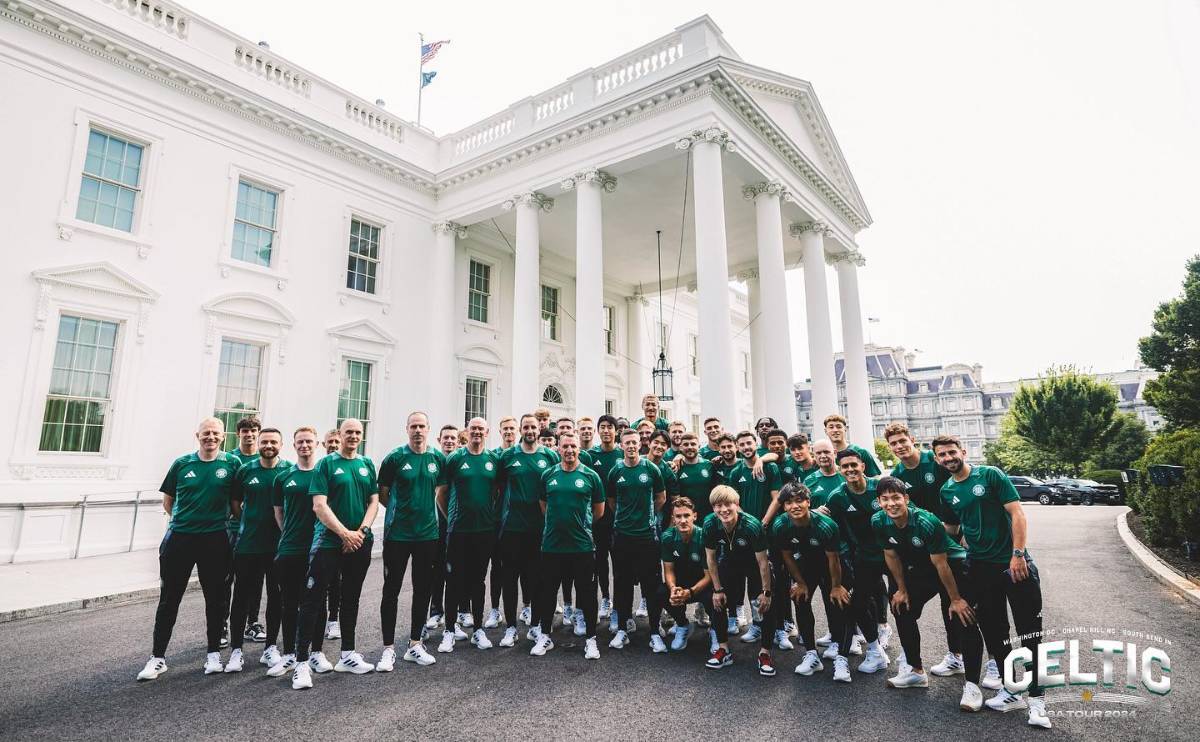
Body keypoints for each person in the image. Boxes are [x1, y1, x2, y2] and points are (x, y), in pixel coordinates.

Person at [933, 435, 1051, 729]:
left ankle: (1038, 701)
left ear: (962, 452)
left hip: (1015, 566)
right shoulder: (947, 490)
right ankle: (1012, 691)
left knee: (1029, 635)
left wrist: (1018, 554)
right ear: (937, 460)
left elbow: (1017, 513)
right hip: (981, 570)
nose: (948, 458)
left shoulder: (990, 475)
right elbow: (951, 530)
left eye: (951, 452)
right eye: (942, 455)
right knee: (996, 635)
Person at [137, 417, 240, 681]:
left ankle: (213, 654)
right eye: (206, 433)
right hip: (180, 539)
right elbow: (168, 501)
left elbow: (236, 503)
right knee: (169, 599)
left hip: (215, 539)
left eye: (215, 433)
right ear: (198, 436)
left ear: (223, 436)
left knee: (215, 600)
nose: (210, 437)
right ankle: (157, 658)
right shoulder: (182, 464)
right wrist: (185, 522)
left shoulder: (232, 464)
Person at [872, 476, 985, 710]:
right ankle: (916, 671)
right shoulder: (878, 521)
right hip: (923, 569)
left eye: (896, 498)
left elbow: (941, 564)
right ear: (879, 502)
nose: (891, 503)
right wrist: (901, 589)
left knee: (962, 616)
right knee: (901, 608)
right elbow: (891, 555)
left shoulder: (925, 521)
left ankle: (972, 685)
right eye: (885, 499)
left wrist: (956, 599)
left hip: (952, 566)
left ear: (906, 499)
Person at [290, 419, 378, 690]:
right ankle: (301, 663)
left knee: (350, 598)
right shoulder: (326, 464)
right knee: (312, 601)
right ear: (340, 434)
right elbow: (319, 505)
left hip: (360, 542)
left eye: (358, 432)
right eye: (348, 432)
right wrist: (344, 534)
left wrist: (361, 531)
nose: (353, 436)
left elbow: (373, 501)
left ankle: (348, 655)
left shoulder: (366, 464)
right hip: (329, 542)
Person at [886, 421, 977, 680]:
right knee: (902, 605)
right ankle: (913, 663)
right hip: (923, 548)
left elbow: (962, 490)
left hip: (952, 542)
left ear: (912, 440)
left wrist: (965, 533)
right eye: (893, 444)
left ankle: (957, 656)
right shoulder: (897, 474)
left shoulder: (936, 461)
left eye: (902, 441)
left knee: (954, 605)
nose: (899, 446)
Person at [375, 412, 445, 671]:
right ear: (407, 429)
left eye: (422, 426)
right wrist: (401, 512)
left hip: (427, 535)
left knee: (423, 589)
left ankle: (415, 644)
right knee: (391, 590)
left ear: (428, 429)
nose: (417, 430)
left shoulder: (437, 458)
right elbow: (383, 494)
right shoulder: (394, 458)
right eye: (413, 426)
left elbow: (439, 490)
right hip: (398, 535)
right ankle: (388, 649)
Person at [530, 431, 604, 660]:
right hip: (552, 546)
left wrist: (581, 525)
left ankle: (591, 639)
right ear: (558, 449)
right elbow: (543, 505)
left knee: (587, 594)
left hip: (582, 547)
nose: (569, 450)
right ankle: (545, 635)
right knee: (547, 593)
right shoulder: (548, 475)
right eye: (565, 446)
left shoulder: (591, 476)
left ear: (578, 448)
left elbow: (599, 510)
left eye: (573, 446)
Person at [769, 482, 853, 680]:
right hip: (806, 563)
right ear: (784, 506)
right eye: (789, 503)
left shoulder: (826, 525)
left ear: (808, 502)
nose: (794, 506)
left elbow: (833, 559)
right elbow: (787, 556)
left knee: (837, 602)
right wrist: (800, 583)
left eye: (799, 501)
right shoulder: (780, 525)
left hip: (832, 563)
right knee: (800, 598)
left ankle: (841, 657)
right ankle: (811, 654)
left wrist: (836, 586)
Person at [224, 427, 288, 673]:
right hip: (248, 545)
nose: (268, 445)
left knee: (276, 597)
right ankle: (236, 651)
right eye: (265, 442)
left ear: (281, 445)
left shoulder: (288, 470)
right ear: (259, 444)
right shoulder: (245, 470)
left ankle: (270, 647)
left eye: (273, 442)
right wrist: (247, 522)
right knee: (241, 596)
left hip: (278, 546)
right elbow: (235, 502)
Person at [436, 417, 502, 652]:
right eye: (473, 428)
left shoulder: (493, 460)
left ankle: (478, 630)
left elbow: (497, 491)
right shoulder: (455, 458)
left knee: (478, 581)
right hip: (458, 531)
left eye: (481, 429)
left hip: (484, 531)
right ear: (468, 431)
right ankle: (449, 630)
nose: (477, 432)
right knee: (454, 580)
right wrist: (451, 518)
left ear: (487, 432)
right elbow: (441, 494)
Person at [822, 448, 890, 676]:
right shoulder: (837, 497)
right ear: (840, 470)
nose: (850, 469)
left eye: (854, 465)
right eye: (845, 466)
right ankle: (875, 651)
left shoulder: (880, 487)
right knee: (858, 603)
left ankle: (911, 660)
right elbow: (834, 529)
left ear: (863, 466)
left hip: (892, 553)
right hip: (864, 557)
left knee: (902, 604)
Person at [497, 414, 560, 646]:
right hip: (512, 528)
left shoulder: (549, 456)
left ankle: (535, 625)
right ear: (520, 430)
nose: (530, 430)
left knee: (537, 579)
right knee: (509, 579)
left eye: (533, 427)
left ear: (539, 429)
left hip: (539, 529)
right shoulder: (508, 456)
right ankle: (511, 628)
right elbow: (498, 488)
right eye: (526, 427)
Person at [703, 485, 776, 675]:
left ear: (736, 504)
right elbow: (710, 559)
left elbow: (763, 562)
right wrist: (717, 590)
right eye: (718, 505)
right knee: (717, 601)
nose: (723, 509)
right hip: (729, 562)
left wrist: (766, 592)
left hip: (754, 564)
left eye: (728, 504)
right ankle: (723, 649)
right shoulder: (710, 524)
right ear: (713, 507)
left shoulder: (751, 525)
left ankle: (765, 653)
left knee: (764, 604)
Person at [266, 427, 321, 679]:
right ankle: (289, 653)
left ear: (316, 444)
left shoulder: (324, 473)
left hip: (318, 547)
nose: (304, 445)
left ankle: (316, 652)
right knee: (289, 603)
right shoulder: (283, 477)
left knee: (317, 602)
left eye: (309, 441)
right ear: (294, 445)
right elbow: (278, 511)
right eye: (300, 442)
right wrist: (288, 533)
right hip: (290, 547)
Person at [606, 429, 667, 651]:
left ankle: (654, 630)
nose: (631, 446)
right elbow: (611, 501)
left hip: (646, 536)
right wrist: (626, 518)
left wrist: (645, 517)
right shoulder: (616, 471)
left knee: (652, 585)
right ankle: (623, 629)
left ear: (640, 444)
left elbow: (661, 498)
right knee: (622, 584)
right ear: (621, 445)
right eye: (627, 443)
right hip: (622, 536)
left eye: (634, 442)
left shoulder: (651, 469)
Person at [725, 431, 783, 647]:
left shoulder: (770, 467)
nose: (746, 447)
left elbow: (777, 498)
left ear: (755, 443)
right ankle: (757, 625)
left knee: (773, 580)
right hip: (746, 532)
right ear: (737, 447)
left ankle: (778, 628)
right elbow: (734, 503)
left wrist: (764, 522)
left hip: (768, 530)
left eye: (749, 443)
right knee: (753, 579)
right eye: (741, 444)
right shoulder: (736, 472)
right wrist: (749, 523)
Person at [659, 496, 723, 653]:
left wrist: (691, 592)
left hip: (702, 585)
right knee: (661, 592)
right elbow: (668, 571)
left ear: (694, 516)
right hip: (681, 584)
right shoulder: (667, 537)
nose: (682, 520)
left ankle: (716, 630)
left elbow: (709, 575)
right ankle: (683, 625)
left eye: (686, 515)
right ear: (673, 518)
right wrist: (673, 589)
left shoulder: (704, 537)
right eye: (678, 516)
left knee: (716, 595)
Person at [580, 414, 622, 627]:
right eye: (602, 427)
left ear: (616, 431)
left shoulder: (622, 453)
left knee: (620, 564)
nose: (606, 430)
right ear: (598, 431)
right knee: (599, 563)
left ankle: (620, 609)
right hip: (598, 519)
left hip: (619, 519)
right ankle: (605, 598)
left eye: (610, 427)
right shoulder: (590, 455)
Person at [226, 416, 262, 647]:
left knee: (254, 579)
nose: (249, 434)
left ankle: (253, 623)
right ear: (238, 434)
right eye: (245, 431)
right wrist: (241, 519)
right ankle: (222, 625)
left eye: (253, 430)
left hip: (257, 532)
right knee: (226, 578)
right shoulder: (230, 460)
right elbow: (232, 498)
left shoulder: (264, 458)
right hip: (232, 529)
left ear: (258, 433)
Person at [484, 418, 519, 630]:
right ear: (499, 431)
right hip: (497, 519)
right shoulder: (495, 456)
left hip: (518, 520)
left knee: (522, 568)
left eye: (511, 428)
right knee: (497, 566)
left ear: (517, 431)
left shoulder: (521, 454)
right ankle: (495, 609)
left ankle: (527, 606)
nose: (508, 431)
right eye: (505, 428)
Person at [425, 424, 461, 632]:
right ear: (439, 440)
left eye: (452, 438)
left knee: (458, 568)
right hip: (436, 524)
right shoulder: (434, 461)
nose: (449, 441)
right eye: (445, 438)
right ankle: (436, 611)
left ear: (458, 441)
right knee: (437, 569)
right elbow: (439, 494)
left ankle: (461, 611)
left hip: (457, 524)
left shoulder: (459, 461)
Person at [321, 429, 344, 643]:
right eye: (331, 442)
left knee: (336, 581)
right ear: (324, 444)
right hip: (320, 533)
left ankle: (334, 619)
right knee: (320, 580)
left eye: (337, 441)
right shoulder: (321, 467)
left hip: (341, 532)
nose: (334, 445)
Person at [802, 440, 845, 508]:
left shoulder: (847, 474)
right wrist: (815, 511)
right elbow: (803, 508)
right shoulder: (809, 481)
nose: (823, 456)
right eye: (818, 453)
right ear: (814, 455)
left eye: (826, 452)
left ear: (835, 453)